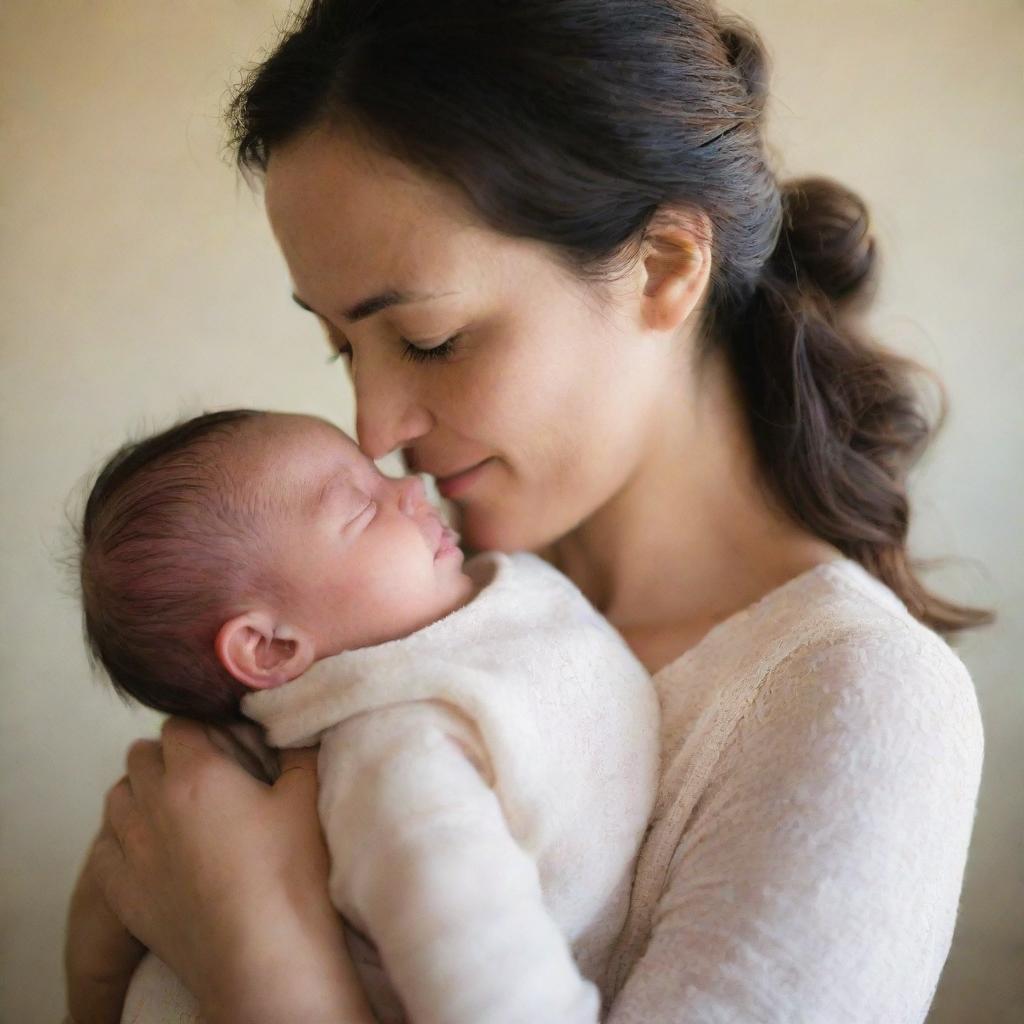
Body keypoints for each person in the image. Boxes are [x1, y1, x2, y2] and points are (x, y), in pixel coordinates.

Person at [64, 1, 993, 1022]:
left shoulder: (851, 698)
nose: (373, 430)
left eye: (426, 339)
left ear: (666, 268)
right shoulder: (390, 601)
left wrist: (258, 946)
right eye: (341, 346)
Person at [76, 407, 659, 1023]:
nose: (411, 488)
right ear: (271, 646)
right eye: (359, 508)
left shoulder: (482, 612)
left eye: (378, 476)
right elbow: (478, 971)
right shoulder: (401, 757)